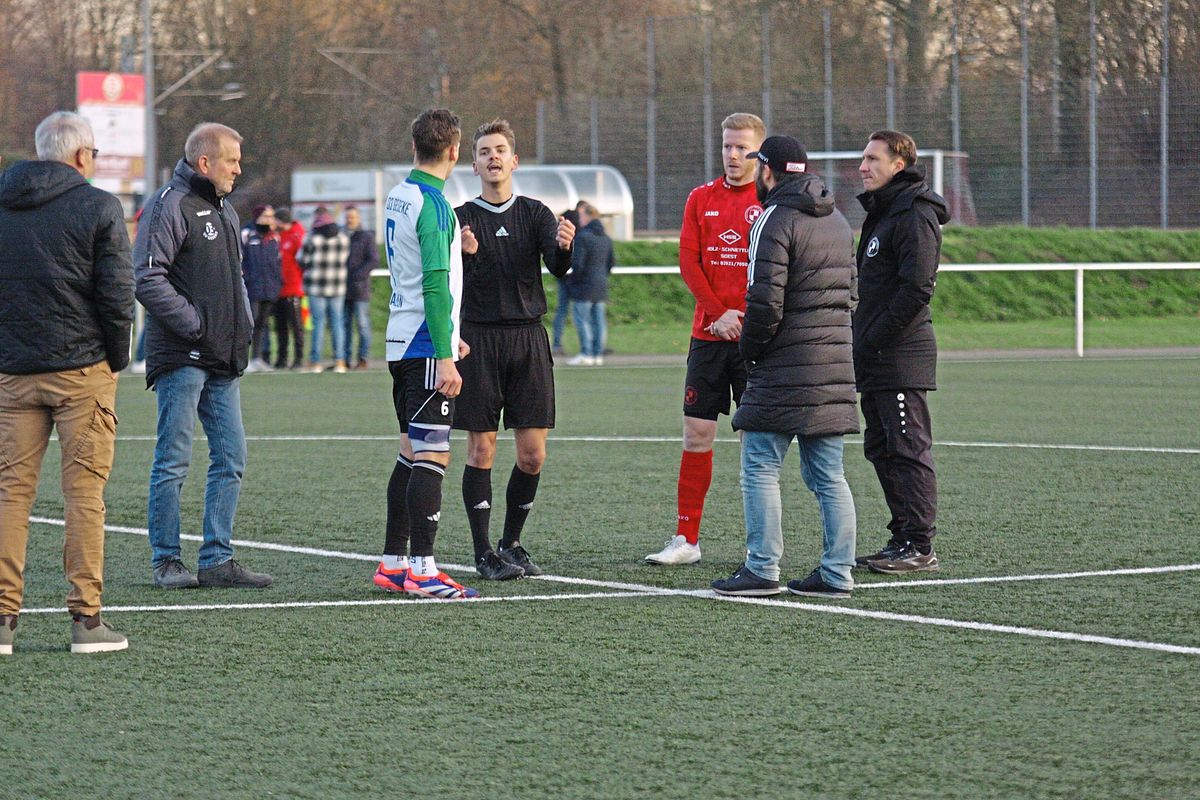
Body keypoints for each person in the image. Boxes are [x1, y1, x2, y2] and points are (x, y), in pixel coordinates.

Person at [0, 111, 133, 653]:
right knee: (84, 496)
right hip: (82, 371)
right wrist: (115, 359)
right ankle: (86, 621)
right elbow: (117, 296)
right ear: (81, 155)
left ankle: (2, 621)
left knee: (10, 495)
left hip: (12, 372)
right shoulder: (99, 206)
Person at [709, 135, 860, 598]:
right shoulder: (838, 218)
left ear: (768, 171)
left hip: (782, 365)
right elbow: (852, 295)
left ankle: (762, 568)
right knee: (829, 475)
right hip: (833, 364)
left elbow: (764, 302)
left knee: (759, 465)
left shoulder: (771, 219)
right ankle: (837, 573)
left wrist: (749, 353)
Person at [134, 122, 272, 590]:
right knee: (173, 459)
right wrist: (196, 325)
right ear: (205, 162)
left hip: (222, 358)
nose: (238, 167)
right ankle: (166, 561)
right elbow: (148, 278)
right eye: (232, 160)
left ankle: (217, 560)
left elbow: (234, 279)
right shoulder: (169, 204)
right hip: (183, 354)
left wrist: (242, 327)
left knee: (231, 456)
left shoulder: (225, 211)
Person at [453, 119, 575, 580]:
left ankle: (512, 542)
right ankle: (484, 552)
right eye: (484, 151)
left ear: (514, 160)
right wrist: (463, 254)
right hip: (479, 339)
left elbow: (558, 268)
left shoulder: (535, 213)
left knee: (532, 454)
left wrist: (565, 247)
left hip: (527, 340)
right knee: (481, 449)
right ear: (475, 164)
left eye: (500, 150)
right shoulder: (461, 216)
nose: (493, 157)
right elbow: (450, 282)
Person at [646, 112, 765, 565]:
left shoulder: (770, 201)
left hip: (755, 338)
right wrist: (719, 314)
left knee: (756, 441)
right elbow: (689, 262)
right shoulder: (701, 198)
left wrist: (745, 317)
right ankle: (686, 540)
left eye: (742, 147)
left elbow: (778, 269)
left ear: (759, 150)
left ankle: (760, 545)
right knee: (697, 433)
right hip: (710, 335)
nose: (733, 155)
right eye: (727, 146)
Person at [371, 108, 478, 599]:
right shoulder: (436, 205)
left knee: (410, 452)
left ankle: (394, 563)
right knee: (433, 453)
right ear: (455, 151)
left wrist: (448, 335)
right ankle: (423, 569)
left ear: (414, 146)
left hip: (400, 338)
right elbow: (435, 284)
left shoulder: (398, 195)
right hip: (423, 346)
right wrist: (446, 353)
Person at [853, 129, 950, 574]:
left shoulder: (914, 212)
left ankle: (920, 545)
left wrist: (873, 337)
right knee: (882, 447)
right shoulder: (883, 212)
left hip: (899, 356)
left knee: (908, 446)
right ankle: (902, 537)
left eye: (873, 159)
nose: (863, 166)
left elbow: (917, 289)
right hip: (874, 355)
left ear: (898, 164)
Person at [299, 210, 351, 373]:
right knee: (337, 324)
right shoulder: (343, 238)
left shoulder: (311, 238)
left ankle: (316, 362)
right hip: (337, 286)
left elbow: (302, 259)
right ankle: (340, 361)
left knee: (318, 324)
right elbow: (345, 258)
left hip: (316, 286)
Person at [566, 201, 614, 366]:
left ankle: (586, 353)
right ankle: (597, 354)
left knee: (583, 320)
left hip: (584, 286)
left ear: (587, 216)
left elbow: (578, 264)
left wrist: (574, 282)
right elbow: (610, 263)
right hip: (601, 286)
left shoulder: (583, 237)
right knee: (599, 321)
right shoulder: (606, 238)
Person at [241, 204, 282, 372]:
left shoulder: (274, 238)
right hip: (251, 288)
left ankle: (257, 358)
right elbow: (240, 259)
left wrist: (278, 282)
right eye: (266, 216)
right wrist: (247, 279)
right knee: (249, 323)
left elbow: (277, 263)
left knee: (262, 324)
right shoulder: (247, 234)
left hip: (269, 288)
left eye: (271, 216)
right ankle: (242, 359)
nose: (269, 219)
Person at [343, 205, 378, 369]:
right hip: (342, 288)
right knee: (345, 325)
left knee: (362, 324)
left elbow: (373, 260)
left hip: (360, 288)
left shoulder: (366, 237)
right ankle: (345, 358)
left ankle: (362, 357)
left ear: (358, 219)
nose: (350, 220)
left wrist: (358, 275)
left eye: (353, 217)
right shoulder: (341, 236)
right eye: (348, 217)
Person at [273, 207, 306, 369]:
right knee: (280, 327)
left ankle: (299, 358)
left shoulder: (296, 236)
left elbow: (303, 260)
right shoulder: (278, 236)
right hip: (278, 288)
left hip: (292, 288)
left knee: (296, 325)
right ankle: (282, 358)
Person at [551, 207, 582, 356]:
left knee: (562, 312)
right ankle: (589, 348)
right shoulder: (580, 231)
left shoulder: (564, 227)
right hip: (576, 279)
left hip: (565, 277)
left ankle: (557, 344)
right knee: (582, 314)